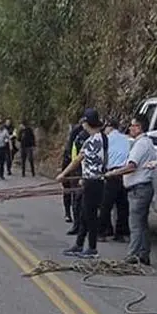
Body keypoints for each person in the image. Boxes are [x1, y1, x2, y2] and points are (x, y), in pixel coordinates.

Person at [56, 109, 108, 259]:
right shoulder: (103, 138)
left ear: (87, 123)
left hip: (93, 182)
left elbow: (77, 159)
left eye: (84, 122)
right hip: (94, 180)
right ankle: (79, 245)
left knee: (89, 216)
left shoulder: (92, 141)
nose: (83, 125)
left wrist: (63, 174)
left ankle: (92, 248)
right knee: (84, 214)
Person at [105, 114, 154, 265]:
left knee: (135, 224)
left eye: (133, 125)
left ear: (139, 127)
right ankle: (144, 254)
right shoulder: (146, 143)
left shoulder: (141, 144)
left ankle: (132, 256)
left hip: (138, 189)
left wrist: (114, 173)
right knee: (142, 223)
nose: (130, 128)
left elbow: (132, 166)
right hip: (143, 187)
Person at [98, 118, 130, 242]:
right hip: (125, 173)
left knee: (106, 205)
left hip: (111, 173)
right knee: (122, 205)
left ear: (109, 127)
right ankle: (120, 233)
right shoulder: (127, 139)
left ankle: (101, 232)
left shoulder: (106, 139)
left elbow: (102, 156)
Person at [61, 114, 88, 232]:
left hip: (79, 169)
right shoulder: (79, 134)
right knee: (73, 194)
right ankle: (73, 219)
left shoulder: (87, 136)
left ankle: (78, 224)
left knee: (77, 197)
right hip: (74, 167)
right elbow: (73, 153)